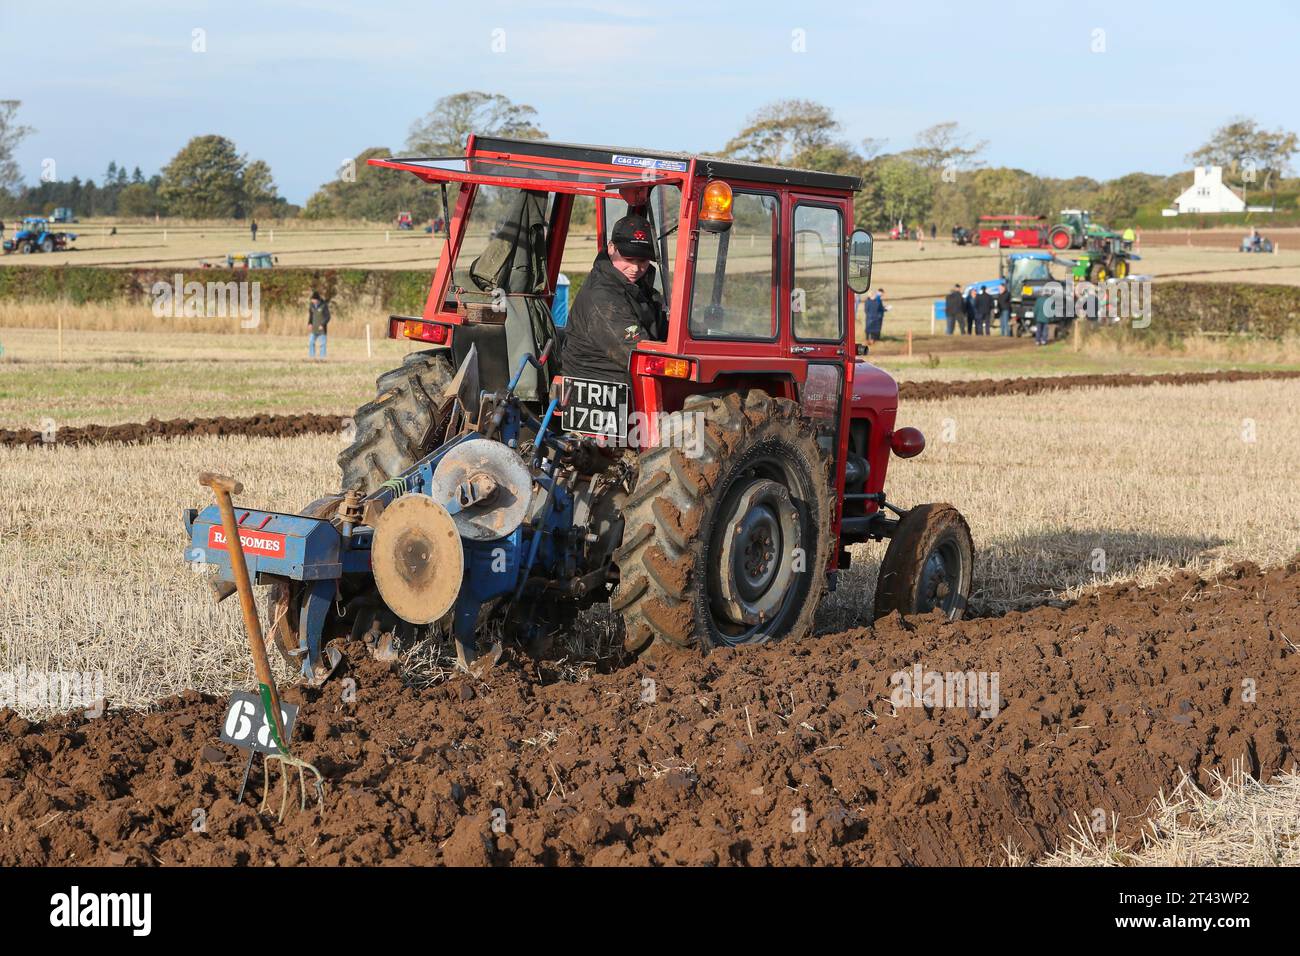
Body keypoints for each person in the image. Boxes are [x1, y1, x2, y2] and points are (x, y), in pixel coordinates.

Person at [560, 214, 665, 387]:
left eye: (643, 261)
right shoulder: (602, 298)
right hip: (600, 389)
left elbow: (663, 320)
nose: (635, 268)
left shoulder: (637, 286)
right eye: (629, 259)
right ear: (611, 248)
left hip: (624, 382)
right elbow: (637, 353)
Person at [307, 290, 330, 359]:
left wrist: (322, 324)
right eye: (312, 300)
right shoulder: (311, 306)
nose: (312, 301)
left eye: (313, 300)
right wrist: (309, 323)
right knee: (311, 342)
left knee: (322, 343)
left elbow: (328, 317)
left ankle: (322, 358)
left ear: (317, 300)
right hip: (314, 328)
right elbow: (311, 315)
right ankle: (312, 357)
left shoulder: (324, 305)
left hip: (322, 329)